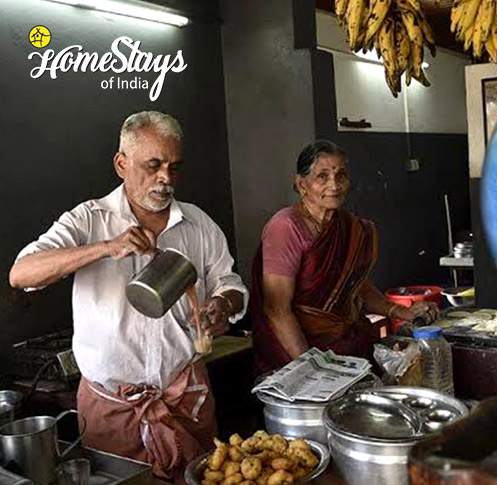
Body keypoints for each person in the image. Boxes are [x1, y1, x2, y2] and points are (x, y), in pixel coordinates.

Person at [8, 111, 248, 480]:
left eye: (174, 167)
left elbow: (230, 284)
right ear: (122, 163)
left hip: (185, 398)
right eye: (153, 165)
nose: (166, 178)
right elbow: (22, 274)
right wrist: (105, 248)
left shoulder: (197, 225)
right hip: (112, 411)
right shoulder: (89, 220)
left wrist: (222, 305)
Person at [250, 140, 438, 374]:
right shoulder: (286, 227)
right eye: (322, 176)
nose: (334, 185)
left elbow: (353, 285)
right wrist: (314, 368)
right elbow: (277, 309)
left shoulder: (349, 226)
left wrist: (401, 312)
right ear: (301, 184)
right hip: (296, 355)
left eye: (341, 175)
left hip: (344, 348)